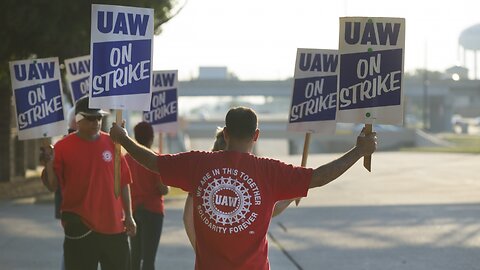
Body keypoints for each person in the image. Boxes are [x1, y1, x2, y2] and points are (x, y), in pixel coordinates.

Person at [110, 106, 377, 270]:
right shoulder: (270, 171)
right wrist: (358, 151)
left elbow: (153, 162)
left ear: (225, 133)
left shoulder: (197, 163)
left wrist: (123, 139)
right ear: (256, 136)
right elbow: (318, 176)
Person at [41, 95, 136, 270]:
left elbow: (124, 182)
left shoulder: (112, 143)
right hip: (80, 227)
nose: (96, 122)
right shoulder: (62, 147)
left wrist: (129, 215)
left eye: (99, 118)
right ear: (77, 119)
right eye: (90, 118)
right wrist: (49, 163)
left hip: (114, 227)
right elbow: (53, 186)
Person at [182, 127, 296, 251]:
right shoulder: (248, 177)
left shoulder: (204, 176)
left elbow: (188, 218)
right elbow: (268, 211)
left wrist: (200, 251)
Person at [126, 121, 169, 270]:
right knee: (149, 258)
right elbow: (163, 189)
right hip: (153, 210)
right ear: (151, 137)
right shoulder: (156, 158)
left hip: (134, 210)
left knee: (135, 256)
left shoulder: (127, 159)